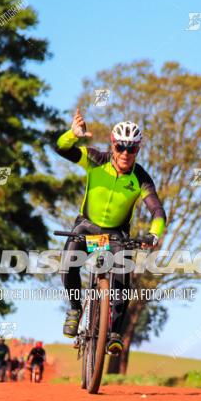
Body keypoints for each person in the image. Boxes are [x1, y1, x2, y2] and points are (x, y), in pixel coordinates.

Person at [53, 108, 167, 355]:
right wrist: (72, 135)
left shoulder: (141, 178)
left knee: (123, 274)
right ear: (113, 145)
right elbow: (61, 149)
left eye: (132, 148)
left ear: (138, 149)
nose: (126, 153)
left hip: (116, 234)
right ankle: (75, 308)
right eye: (121, 147)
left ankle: (114, 333)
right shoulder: (95, 159)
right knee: (70, 259)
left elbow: (157, 211)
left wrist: (154, 234)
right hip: (87, 225)